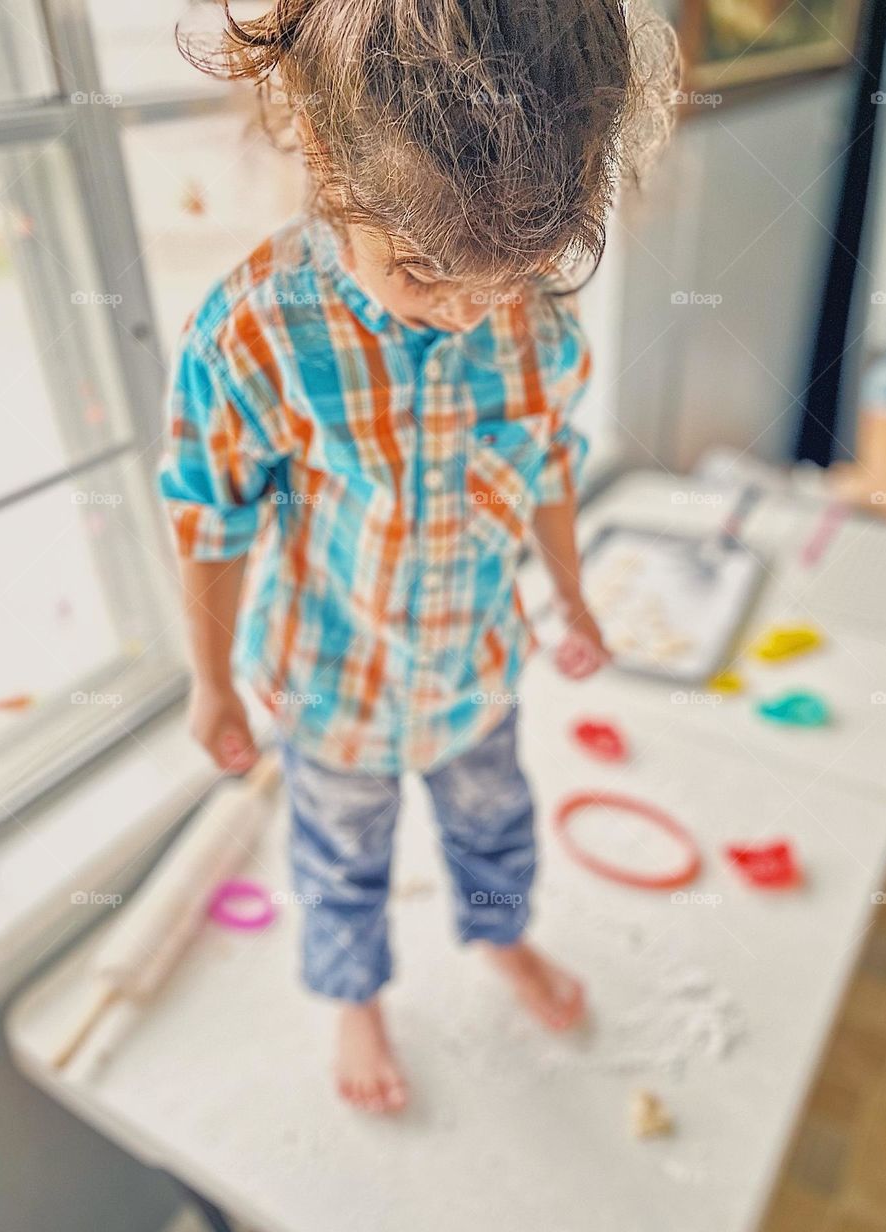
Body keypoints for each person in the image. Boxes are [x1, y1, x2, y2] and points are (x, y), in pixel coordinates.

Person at [159, 0, 676, 1113]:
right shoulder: (257, 331)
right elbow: (210, 515)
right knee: (343, 857)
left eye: (506, 275)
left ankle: (504, 937)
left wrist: (574, 598)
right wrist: (209, 682)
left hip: (477, 670)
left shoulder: (535, 327)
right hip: (334, 687)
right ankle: (355, 994)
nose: (467, 311)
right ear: (334, 171)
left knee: (496, 824)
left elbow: (543, 468)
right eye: (426, 273)